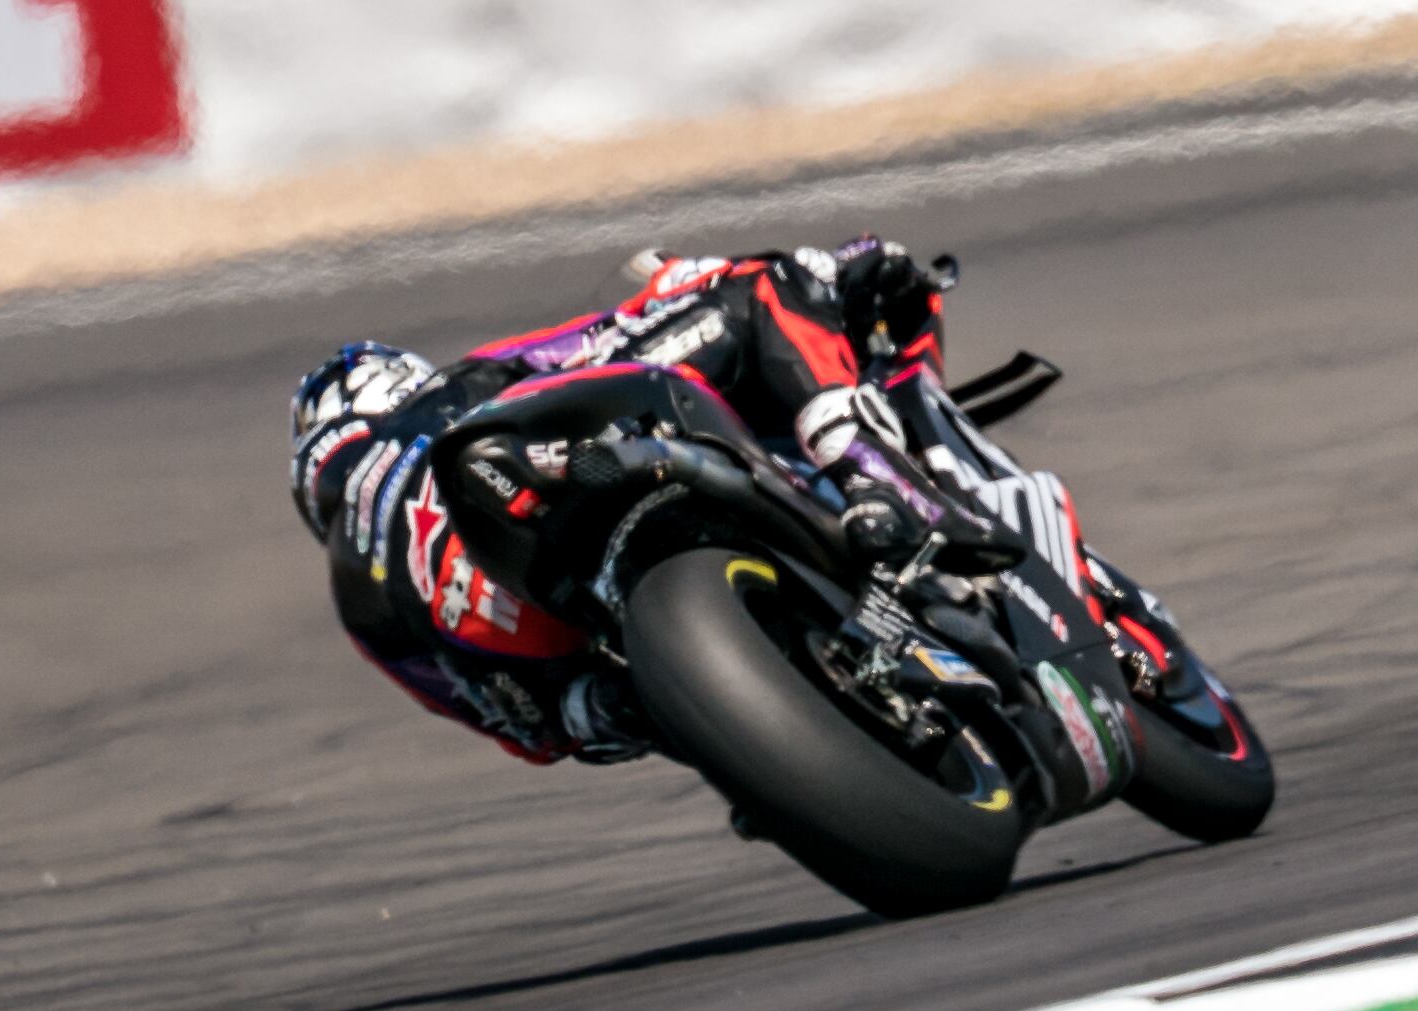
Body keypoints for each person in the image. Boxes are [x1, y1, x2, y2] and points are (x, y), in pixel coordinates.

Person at [285, 241, 1174, 808]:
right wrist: (830, 267)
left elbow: (528, 733)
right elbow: (602, 334)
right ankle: (871, 475)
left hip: (553, 633)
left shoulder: (359, 587)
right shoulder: (450, 394)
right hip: (569, 468)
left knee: (586, 707)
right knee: (764, 287)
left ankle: (779, 711)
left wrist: (637, 714)